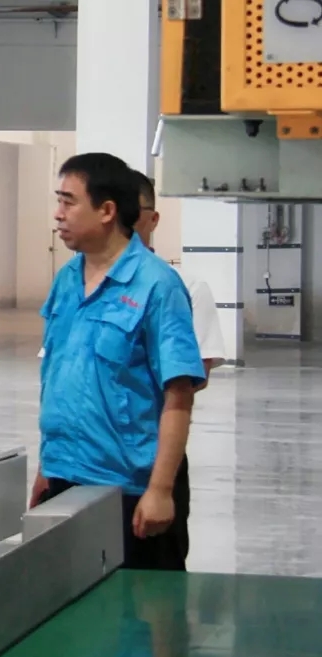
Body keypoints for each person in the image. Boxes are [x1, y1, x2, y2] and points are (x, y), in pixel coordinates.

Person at [30, 152, 206, 570]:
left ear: (107, 210)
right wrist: (45, 469)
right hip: (65, 476)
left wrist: (160, 490)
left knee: (143, 604)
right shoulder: (66, 279)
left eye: (68, 202)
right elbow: (57, 380)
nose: (58, 214)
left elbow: (178, 395)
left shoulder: (157, 285)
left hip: (131, 489)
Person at [133, 169, 226, 562]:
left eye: (132, 212)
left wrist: (160, 486)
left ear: (153, 219)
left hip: (147, 456)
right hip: (82, 462)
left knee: (153, 576)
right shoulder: (74, 284)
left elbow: (191, 378)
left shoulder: (179, 286)